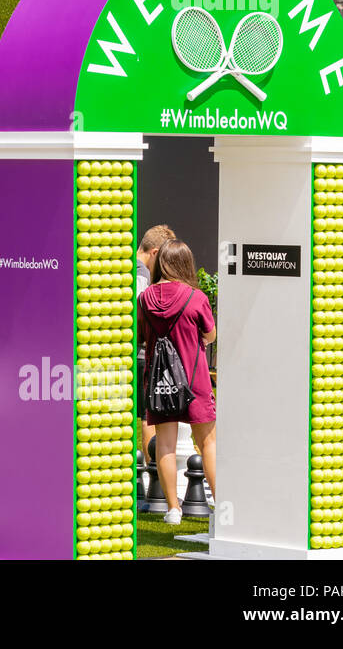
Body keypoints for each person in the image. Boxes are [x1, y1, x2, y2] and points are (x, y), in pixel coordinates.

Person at [138, 239, 217, 524]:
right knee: (207, 442)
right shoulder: (196, 298)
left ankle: (173, 509)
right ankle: (220, 506)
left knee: (165, 445)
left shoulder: (145, 298)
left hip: (160, 380)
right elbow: (210, 336)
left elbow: (141, 336)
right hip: (194, 380)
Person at [135, 224, 176, 463]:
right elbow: (141, 310)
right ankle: (151, 474)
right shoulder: (143, 274)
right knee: (146, 416)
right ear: (155, 252)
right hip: (140, 354)